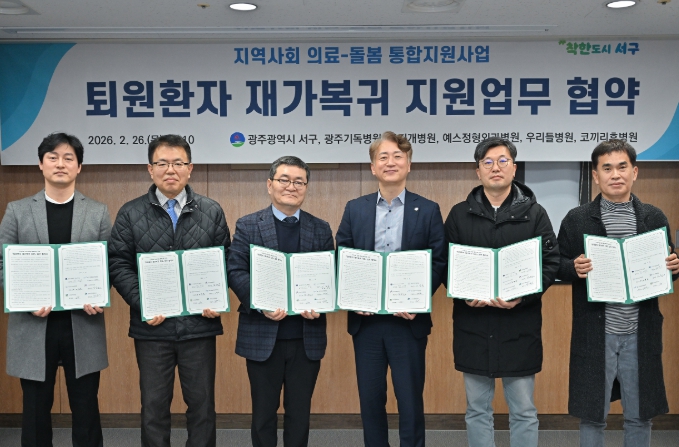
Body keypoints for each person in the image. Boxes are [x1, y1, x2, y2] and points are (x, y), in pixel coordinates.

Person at [108, 134, 230, 447]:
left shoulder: (211, 211)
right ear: (150, 169)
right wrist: (143, 302)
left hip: (199, 326)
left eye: (178, 163)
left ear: (190, 168)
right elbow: (118, 263)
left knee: (202, 406)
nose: (170, 170)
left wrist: (216, 298)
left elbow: (225, 260)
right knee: (154, 407)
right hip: (152, 328)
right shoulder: (130, 213)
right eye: (162, 163)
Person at [556, 139, 679, 447]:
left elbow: (667, 267)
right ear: (596, 176)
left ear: (634, 172)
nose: (615, 175)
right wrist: (573, 267)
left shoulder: (654, 217)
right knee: (592, 415)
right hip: (595, 332)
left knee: (639, 414)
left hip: (641, 331)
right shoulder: (577, 218)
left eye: (622, 167)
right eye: (607, 168)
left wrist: (674, 265)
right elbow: (555, 263)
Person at [444, 137, 559, 447]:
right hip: (473, 327)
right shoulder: (459, 214)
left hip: (519, 327)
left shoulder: (535, 213)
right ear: (478, 171)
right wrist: (462, 293)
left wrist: (524, 296)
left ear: (514, 168)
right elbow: (446, 264)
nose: (496, 167)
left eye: (503, 161)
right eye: (488, 162)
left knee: (523, 411)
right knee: (477, 410)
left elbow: (551, 262)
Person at [335, 131, 446, 447]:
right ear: (373, 167)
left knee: (410, 400)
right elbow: (343, 255)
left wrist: (417, 300)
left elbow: (438, 260)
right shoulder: (355, 208)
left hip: (407, 321)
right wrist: (353, 297)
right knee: (370, 399)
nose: (390, 162)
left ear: (409, 164)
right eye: (383, 157)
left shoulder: (428, 209)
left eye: (398, 156)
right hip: (366, 321)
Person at [0, 132, 110, 447]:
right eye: (53, 157)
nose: (60, 164)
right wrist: (24, 298)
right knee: (35, 409)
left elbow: (109, 263)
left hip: (82, 323)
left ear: (79, 167)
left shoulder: (98, 212)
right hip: (33, 324)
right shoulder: (17, 210)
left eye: (68, 158)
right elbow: (2, 262)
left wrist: (99, 294)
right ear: (41, 164)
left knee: (86, 407)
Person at [227, 156, 333, 447]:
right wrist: (260, 302)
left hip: (306, 337)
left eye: (299, 182)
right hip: (262, 336)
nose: (291, 186)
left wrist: (320, 302)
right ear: (269, 184)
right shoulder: (248, 225)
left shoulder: (320, 228)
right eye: (284, 180)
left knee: (300, 414)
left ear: (306, 187)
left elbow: (329, 275)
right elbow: (235, 270)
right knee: (263, 414)